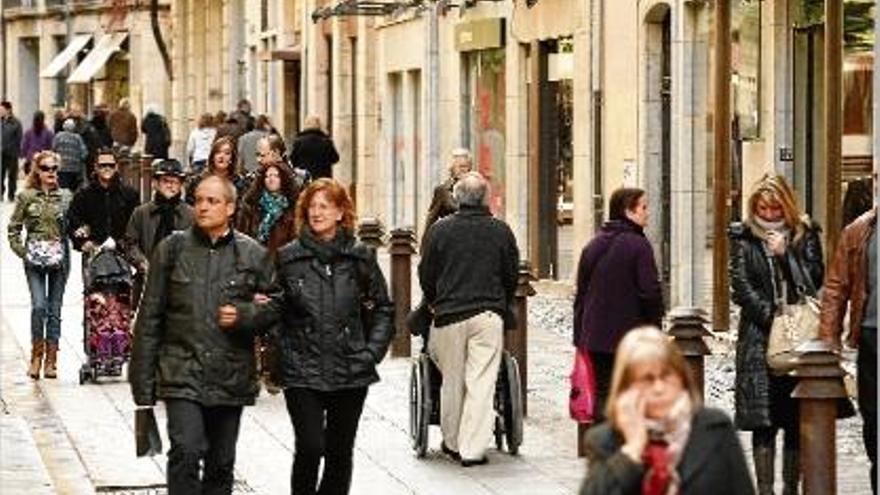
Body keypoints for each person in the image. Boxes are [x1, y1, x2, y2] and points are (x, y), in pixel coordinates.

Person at [129, 175, 277, 495]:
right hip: (181, 371)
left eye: (212, 201)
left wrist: (246, 314)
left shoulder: (252, 254)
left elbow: (278, 307)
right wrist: (142, 386)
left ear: (231, 207)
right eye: (198, 200)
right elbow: (149, 317)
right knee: (186, 450)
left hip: (230, 374)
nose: (203, 207)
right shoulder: (171, 249)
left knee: (221, 463)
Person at [270, 178, 393, 494]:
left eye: (324, 206)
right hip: (302, 369)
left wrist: (371, 353)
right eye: (311, 206)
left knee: (340, 452)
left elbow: (383, 308)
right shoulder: (288, 258)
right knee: (310, 447)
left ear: (341, 212)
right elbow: (274, 309)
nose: (316, 212)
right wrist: (282, 350)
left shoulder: (360, 257)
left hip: (350, 367)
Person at [729, 173, 824, 495]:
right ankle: (765, 490)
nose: (769, 215)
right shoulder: (743, 237)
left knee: (795, 419)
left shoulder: (805, 233)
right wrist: (773, 320)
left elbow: (813, 280)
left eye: (775, 208)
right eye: (763, 208)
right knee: (763, 421)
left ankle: (790, 490)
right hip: (759, 338)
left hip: (800, 337)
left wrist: (787, 256)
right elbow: (741, 286)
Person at [418, 171, 519, 466]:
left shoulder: (439, 231)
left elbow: (426, 276)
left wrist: (436, 300)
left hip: (448, 316)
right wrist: (502, 300)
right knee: (481, 381)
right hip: (487, 314)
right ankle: (472, 450)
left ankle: (451, 442)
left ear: (457, 199)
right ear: (485, 198)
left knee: (452, 379)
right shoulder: (501, 231)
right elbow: (510, 275)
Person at [580, 326, 754, 495]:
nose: (659, 388)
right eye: (647, 379)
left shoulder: (714, 428)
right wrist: (633, 449)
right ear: (627, 388)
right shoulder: (604, 441)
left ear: (681, 377)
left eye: (666, 375)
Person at [572, 187, 664, 423]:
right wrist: (655, 328)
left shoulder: (594, 245)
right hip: (629, 336)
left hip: (595, 336)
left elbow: (581, 294)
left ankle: (605, 446)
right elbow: (649, 293)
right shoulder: (639, 246)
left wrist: (579, 336)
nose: (648, 213)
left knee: (603, 391)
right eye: (643, 207)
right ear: (628, 211)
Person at [819, 205, 877, 494]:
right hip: (871, 336)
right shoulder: (859, 231)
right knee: (874, 419)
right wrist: (829, 338)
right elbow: (836, 286)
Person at [7, 151, 73, 379]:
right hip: (34, 261)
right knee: (38, 306)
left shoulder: (66, 197)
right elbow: (13, 229)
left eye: (54, 168)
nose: (51, 172)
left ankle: (51, 361)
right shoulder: (26, 197)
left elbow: (75, 226)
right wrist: (23, 253)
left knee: (54, 309)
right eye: (45, 168)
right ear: (37, 170)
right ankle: (36, 355)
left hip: (59, 261)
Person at [126, 159, 193, 306]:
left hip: (180, 284)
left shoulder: (190, 215)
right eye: (165, 181)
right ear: (155, 183)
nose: (170, 185)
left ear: (181, 185)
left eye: (175, 182)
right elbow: (130, 244)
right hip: (146, 281)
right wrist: (142, 262)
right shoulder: (141, 213)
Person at [66, 148, 140, 257]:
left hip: (123, 251)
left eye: (111, 165)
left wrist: (127, 243)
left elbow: (136, 222)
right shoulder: (83, 195)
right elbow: (73, 220)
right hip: (93, 250)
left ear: (116, 167)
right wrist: (83, 242)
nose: (107, 168)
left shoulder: (130, 194)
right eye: (103, 165)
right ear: (96, 167)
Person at [236, 163, 299, 256]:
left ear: (284, 179)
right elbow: (241, 237)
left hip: (282, 263)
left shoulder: (292, 208)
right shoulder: (251, 205)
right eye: (267, 176)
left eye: (276, 176)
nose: (271, 179)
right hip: (253, 259)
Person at [421, 148, 472, 250]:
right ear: (452, 168)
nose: (462, 169)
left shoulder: (478, 188)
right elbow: (431, 219)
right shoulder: (442, 191)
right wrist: (425, 249)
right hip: (450, 244)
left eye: (465, 166)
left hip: (472, 242)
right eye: (459, 166)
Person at [185, 136, 248, 206]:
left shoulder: (238, 183)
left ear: (232, 158)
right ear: (212, 157)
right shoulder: (199, 181)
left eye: (227, 153)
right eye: (218, 152)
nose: (221, 156)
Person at [290, 115, 339, 180]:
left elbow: (292, 160)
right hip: (322, 178)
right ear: (319, 125)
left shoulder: (299, 141)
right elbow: (335, 158)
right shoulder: (326, 141)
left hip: (304, 178)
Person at [52, 119, 89, 192]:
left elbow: (53, 150)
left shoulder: (58, 136)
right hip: (74, 169)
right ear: (73, 127)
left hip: (61, 168)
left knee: (62, 189)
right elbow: (84, 153)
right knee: (73, 190)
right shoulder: (77, 138)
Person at [1, 101, 23, 201]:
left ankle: (11, 195)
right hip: (1, 153)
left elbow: (19, 138)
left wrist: (18, 151)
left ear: (8, 110)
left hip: (12, 153)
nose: (0, 111)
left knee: (12, 175)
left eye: (2, 109)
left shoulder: (16, 122)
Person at [20, 110, 54, 175]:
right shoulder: (48, 133)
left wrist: (24, 156)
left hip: (30, 160)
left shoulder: (28, 132)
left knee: (31, 182)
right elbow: (50, 148)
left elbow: (24, 147)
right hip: (43, 161)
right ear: (44, 119)